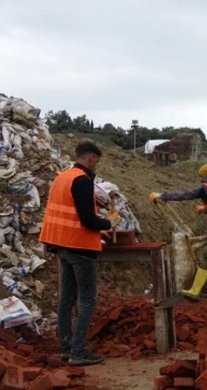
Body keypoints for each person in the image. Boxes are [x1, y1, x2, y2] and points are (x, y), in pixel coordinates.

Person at [39, 141, 119, 366]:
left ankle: (65, 347)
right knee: (87, 300)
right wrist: (109, 222)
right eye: (96, 162)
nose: (96, 166)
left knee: (66, 298)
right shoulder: (82, 181)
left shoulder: (61, 177)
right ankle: (78, 351)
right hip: (80, 246)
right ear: (91, 158)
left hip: (61, 245)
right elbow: (88, 220)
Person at [148, 163, 207, 298]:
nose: (200, 179)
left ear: (204, 175)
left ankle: (194, 290)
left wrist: (162, 196)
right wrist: (205, 209)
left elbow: (185, 194)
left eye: (201, 177)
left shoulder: (206, 187)